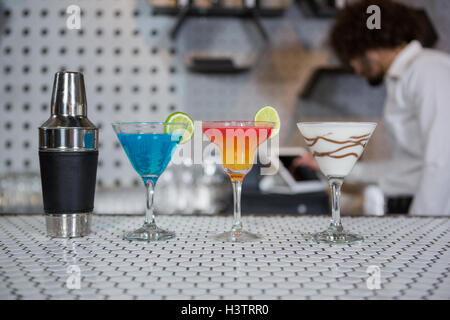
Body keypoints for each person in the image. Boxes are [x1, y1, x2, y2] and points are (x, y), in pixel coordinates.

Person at [294, 0, 450, 216]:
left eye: (354, 59)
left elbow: (441, 161)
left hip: (427, 213)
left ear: (369, 45)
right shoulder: (405, 77)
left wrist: (423, 224)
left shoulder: (428, 71)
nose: (356, 70)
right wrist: (338, 168)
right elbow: (407, 167)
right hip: (407, 206)